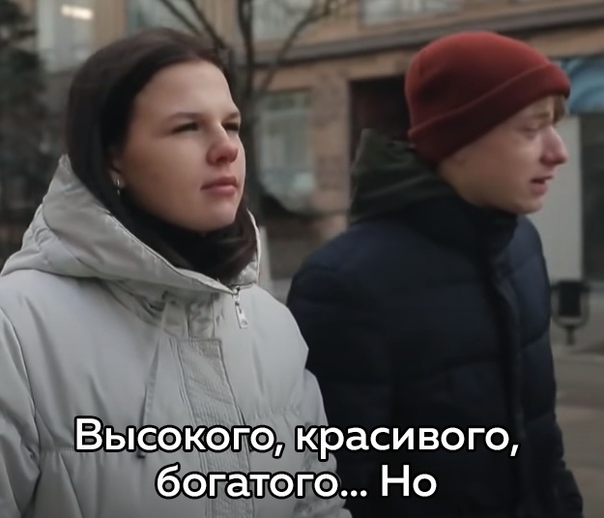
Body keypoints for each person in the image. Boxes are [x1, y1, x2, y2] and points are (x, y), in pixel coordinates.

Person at [0, 27, 350, 518]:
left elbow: (317, 505)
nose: (226, 148)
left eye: (231, 125)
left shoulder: (271, 324)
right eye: (188, 127)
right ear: (111, 155)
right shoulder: (16, 329)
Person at [286, 31, 584, 518]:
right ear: (458, 141)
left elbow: (541, 440)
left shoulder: (520, 242)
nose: (558, 151)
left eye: (554, 126)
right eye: (532, 130)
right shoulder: (345, 285)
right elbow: (340, 487)